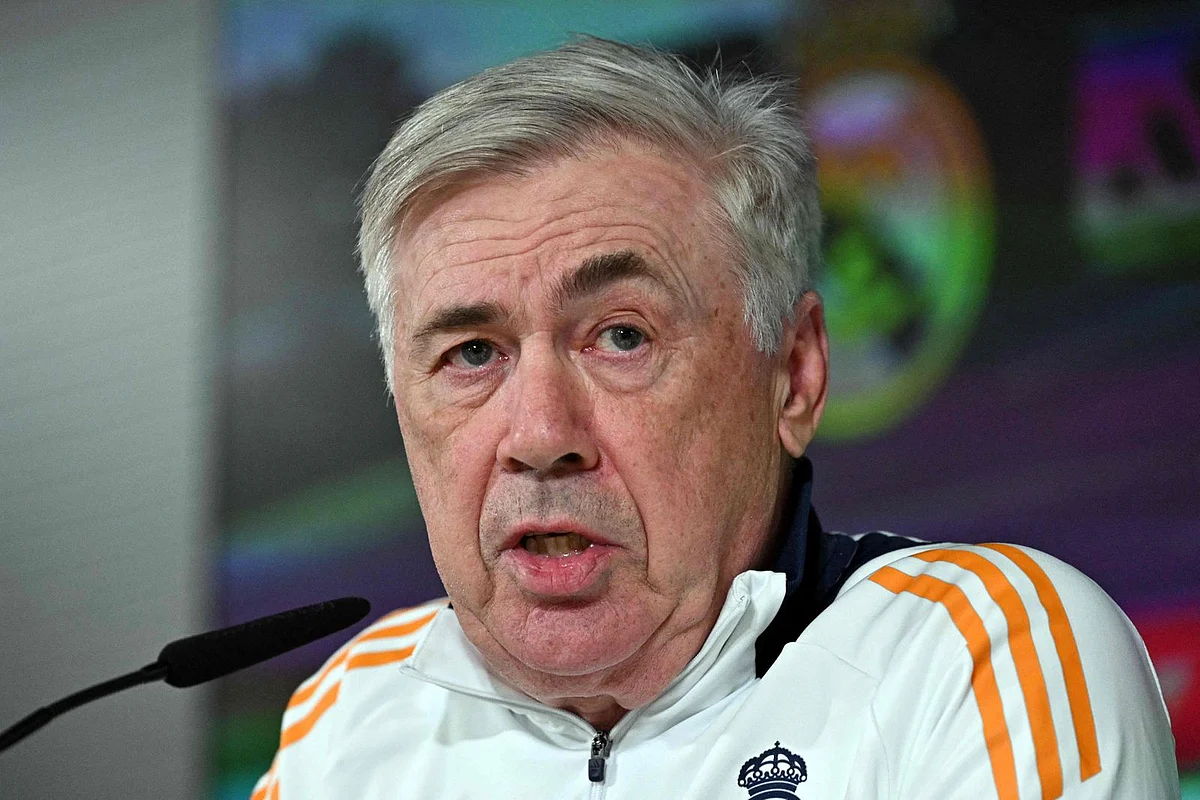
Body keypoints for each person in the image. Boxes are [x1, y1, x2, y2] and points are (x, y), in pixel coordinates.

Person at [252, 37, 1179, 799]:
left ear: (795, 375)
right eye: (471, 355)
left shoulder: (977, 656)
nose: (538, 436)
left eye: (621, 336)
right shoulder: (347, 721)